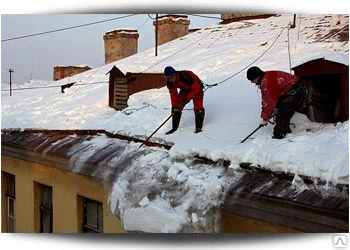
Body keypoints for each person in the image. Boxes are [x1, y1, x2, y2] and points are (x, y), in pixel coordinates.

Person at [246, 66, 307, 139]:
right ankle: (286, 131)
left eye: (252, 79)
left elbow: (268, 102)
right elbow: (273, 96)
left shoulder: (266, 84)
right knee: (281, 109)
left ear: (257, 76)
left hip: (296, 92)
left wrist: (265, 118)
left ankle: (279, 136)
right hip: (293, 89)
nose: (252, 82)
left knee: (283, 113)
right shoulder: (267, 75)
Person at [163, 66, 205, 134]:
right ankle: (174, 128)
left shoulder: (185, 77)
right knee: (177, 107)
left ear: (175, 75)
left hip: (197, 89)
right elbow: (173, 95)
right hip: (185, 90)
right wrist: (175, 107)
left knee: (198, 107)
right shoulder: (170, 82)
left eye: (171, 77)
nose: (170, 80)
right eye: (168, 78)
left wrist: (187, 99)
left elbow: (196, 88)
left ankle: (198, 127)